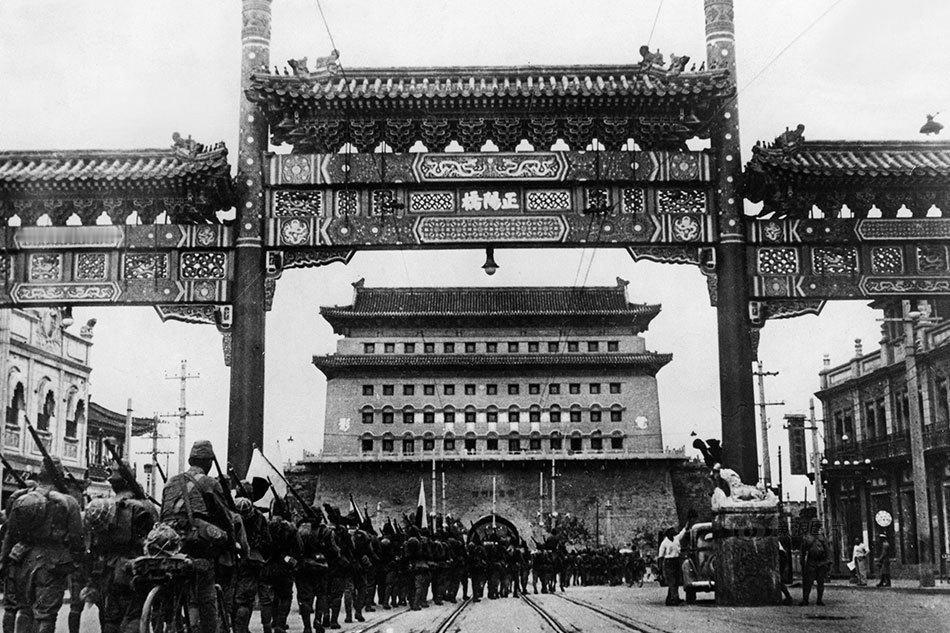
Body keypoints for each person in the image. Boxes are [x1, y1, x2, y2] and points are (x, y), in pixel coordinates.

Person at [159, 440, 235, 633]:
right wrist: (230, 543)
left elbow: (162, 515)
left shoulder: (170, 482)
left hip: (169, 541)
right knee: (206, 590)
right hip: (196, 542)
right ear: (209, 462)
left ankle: (168, 622)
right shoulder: (210, 483)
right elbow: (226, 517)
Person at [0, 458, 84, 633]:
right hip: (52, 562)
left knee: (25, 610)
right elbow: (77, 539)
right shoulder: (69, 501)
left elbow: (10, 534)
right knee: (45, 616)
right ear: (59, 476)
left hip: (22, 559)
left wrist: (4, 561)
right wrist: (77, 562)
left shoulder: (22, 498)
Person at [83, 472, 158, 633]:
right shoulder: (143, 506)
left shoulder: (105, 506)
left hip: (108, 571)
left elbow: (93, 546)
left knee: (111, 618)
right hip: (134, 569)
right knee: (134, 615)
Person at [259, 497, 299, 633]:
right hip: (285, 566)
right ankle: (280, 624)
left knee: (269, 597)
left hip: (268, 565)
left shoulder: (266, 524)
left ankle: (269, 624)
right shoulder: (291, 527)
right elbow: (298, 548)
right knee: (285, 596)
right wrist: (291, 560)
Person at [800, 520, 831, 606]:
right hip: (811, 562)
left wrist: (828, 562)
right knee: (808, 583)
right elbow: (802, 551)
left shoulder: (822, 538)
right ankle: (805, 600)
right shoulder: (807, 538)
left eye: (817, 526)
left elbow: (827, 550)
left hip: (821, 562)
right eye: (814, 526)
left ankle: (819, 600)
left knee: (820, 582)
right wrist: (802, 562)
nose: (815, 528)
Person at [658, 524, 687, 606]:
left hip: (676, 561)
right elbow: (660, 556)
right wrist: (660, 568)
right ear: (668, 533)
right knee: (672, 581)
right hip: (669, 562)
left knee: (676, 581)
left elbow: (683, 532)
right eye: (671, 530)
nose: (673, 531)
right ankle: (675, 598)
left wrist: (688, 522)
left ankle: (669, 599)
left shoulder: (676, 539)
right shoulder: (664, 543)